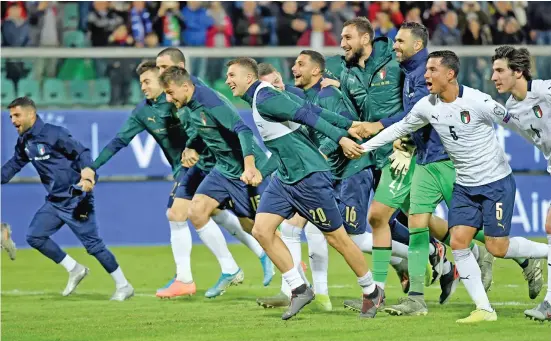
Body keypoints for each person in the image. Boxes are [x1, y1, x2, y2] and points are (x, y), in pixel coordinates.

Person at [361, 50, 549, 323]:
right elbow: (399, 128)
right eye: (426, 70)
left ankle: (545, 253)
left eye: (432, 70)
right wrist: (364, 147)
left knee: (498, 247)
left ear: (450, 74)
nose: (426, 75)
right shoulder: (427, 105)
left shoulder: (479, 101)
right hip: (464, 184)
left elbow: (516, 124)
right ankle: (484, 309)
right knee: (459, 242)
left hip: (495, 182)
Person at [83, 60, 272, 299]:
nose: (144, 86)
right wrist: (93, 167)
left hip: (222, 164)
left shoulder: (197, 95)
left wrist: (247, 162)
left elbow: (230, 128)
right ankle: (206, 273)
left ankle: (272, 257)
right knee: (189, 213)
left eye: (148, 80)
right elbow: (120, 141)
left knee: (249, 222)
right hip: (197, 168)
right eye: (142, 82)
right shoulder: (147, 110)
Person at [226, 57, 384, 321]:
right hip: (286, 178)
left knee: (338, 239)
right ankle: (299, 288)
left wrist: (341, 136)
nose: (228, 80)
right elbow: (309, 107)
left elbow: (306, 115)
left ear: (248, 78)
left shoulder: (265, 98)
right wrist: (347, 124)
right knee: (262, 230)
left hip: (308, 176)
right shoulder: (261, 98)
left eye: (232, 75)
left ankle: (371, 291)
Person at [158, 65, 274, 297]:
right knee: (197, 211)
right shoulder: (189, 106)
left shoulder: (209, 100)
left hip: (245, 169)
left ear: (185, 86)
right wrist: (192, 147)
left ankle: (293, 273)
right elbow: (204, 131)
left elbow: (243, 130)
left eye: (170, 93)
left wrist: (250, 166)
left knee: (259, 228)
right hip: (222, 170)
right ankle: (230, 269)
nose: (168, 99)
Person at [2, 97, 133, 301]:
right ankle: (74, 269)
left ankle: (124, 285)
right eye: (10, 116)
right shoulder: (24, 142)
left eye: (16, 115)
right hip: (54, 202)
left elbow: (82, 153)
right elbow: (13, 165)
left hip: (76, 199)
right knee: (35, 236)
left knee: (94, 246)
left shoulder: (54, 133)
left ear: (31, 114)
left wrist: (88, 175)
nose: (12, 120)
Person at [490, 45, 550, 321]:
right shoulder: (511, 109)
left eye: (500, 70)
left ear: (518, 72)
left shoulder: (544, 90)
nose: (494, 77)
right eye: (493, 71)